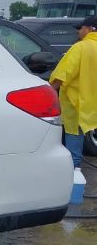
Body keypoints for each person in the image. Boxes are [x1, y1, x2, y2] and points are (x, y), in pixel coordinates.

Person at [49, 15, 97, 170]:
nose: (78, 32)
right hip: (93, 105)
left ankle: (73, 171)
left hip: (78, 103)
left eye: (80, 28)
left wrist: (48, 92)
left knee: (74, 136)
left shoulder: (80, 47)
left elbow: (62, 75)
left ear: (89, 29)